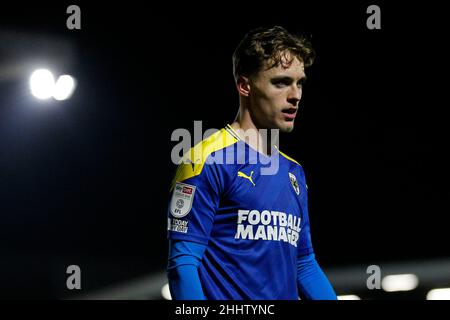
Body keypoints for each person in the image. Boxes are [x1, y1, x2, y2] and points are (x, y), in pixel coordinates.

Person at [166, 25, 337, 300]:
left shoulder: (294, 172)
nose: (296, 95)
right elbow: (182, 266)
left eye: (300, 82)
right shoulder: (205, 160)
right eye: (281, 82)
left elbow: (304, 266)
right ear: (245, 85)